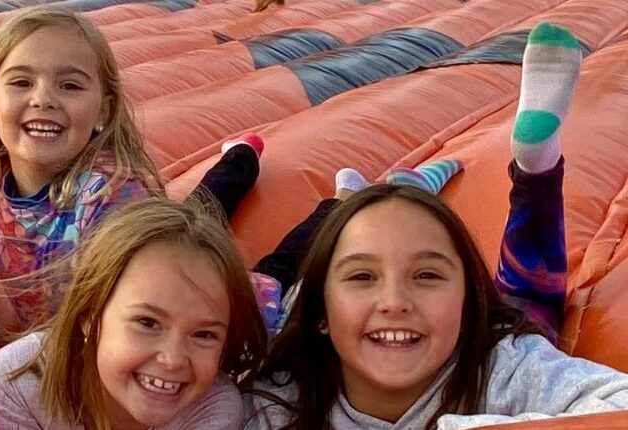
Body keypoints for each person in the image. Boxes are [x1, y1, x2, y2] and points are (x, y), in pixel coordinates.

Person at [242, 22, 628, 429]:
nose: (394, 301)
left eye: (426, 275)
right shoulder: (276, 401)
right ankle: (527, 167)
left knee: (531, 304)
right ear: (320, 311)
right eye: (362, 276)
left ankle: (537, 172)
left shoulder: (501, 367)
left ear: (467, 299)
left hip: (485, 337)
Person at [0, 6, 264, 351]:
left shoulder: (113, 199)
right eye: (21, 81)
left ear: (103, 111)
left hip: (165, 267)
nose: (43, 98)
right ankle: (238, 156)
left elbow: (133, 308)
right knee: (199, 208)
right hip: (147, 246)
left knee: (210, 221)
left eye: (70, 86)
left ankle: (241, 158)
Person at [0, 198, 268, 429]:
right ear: (88, 314)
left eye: (204, 334)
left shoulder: (211, 410)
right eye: (148, 322)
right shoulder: (17, 383)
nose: (172, 360)